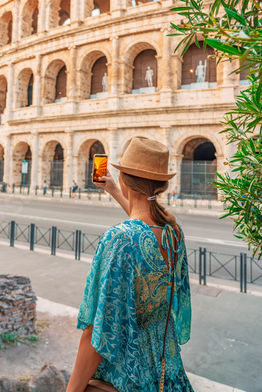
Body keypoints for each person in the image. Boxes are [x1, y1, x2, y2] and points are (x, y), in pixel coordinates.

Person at [67, 138, 192, 392]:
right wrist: (114, 190)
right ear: (161, 185)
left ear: (125, 180)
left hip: (130, 374)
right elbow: (145, 226)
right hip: (168, 370)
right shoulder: (172, 232)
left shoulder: (120, 239)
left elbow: (97, 331)